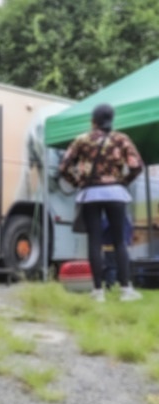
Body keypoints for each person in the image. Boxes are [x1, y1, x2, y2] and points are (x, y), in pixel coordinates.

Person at [59, 103, 144, 303]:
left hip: (90, 193)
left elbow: (63, 167)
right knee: (119, 241)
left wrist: (78, 181)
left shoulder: (82, 140)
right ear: (111, 120)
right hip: (116, 193)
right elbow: (136, 165)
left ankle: (97, 291)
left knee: (94, 241)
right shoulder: (121, 139)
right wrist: (123, 182)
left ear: (93, 121)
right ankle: (125, 289)